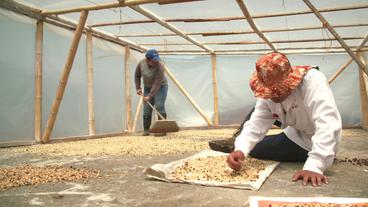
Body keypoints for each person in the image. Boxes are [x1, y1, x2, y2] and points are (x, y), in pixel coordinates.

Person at [225, 52, 342, 187]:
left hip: (312, 141)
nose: (273, 96)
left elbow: (327, 122)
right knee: (255, 148)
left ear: (292, 81)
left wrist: (315, 165)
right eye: (269, 92)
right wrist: (241, 148)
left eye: (277, 91)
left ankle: (321, 154)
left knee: (263, 148)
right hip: (294, 133)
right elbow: (256, 122)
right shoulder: (267, 97)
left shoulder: (312, 81)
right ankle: (234, 143)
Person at [135, 49, 168, 136]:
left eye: (157, 59)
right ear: (147, 59)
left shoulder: (160, 66)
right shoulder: (141, 64)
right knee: (147, 108)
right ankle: (146, 130)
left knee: (159, 105)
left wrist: (150, 96)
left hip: (161, 87)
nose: (156, 61)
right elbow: (137, 75)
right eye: (154, 60)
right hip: (147, 87)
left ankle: (163, 130)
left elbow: (157, 82)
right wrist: (138, 88)